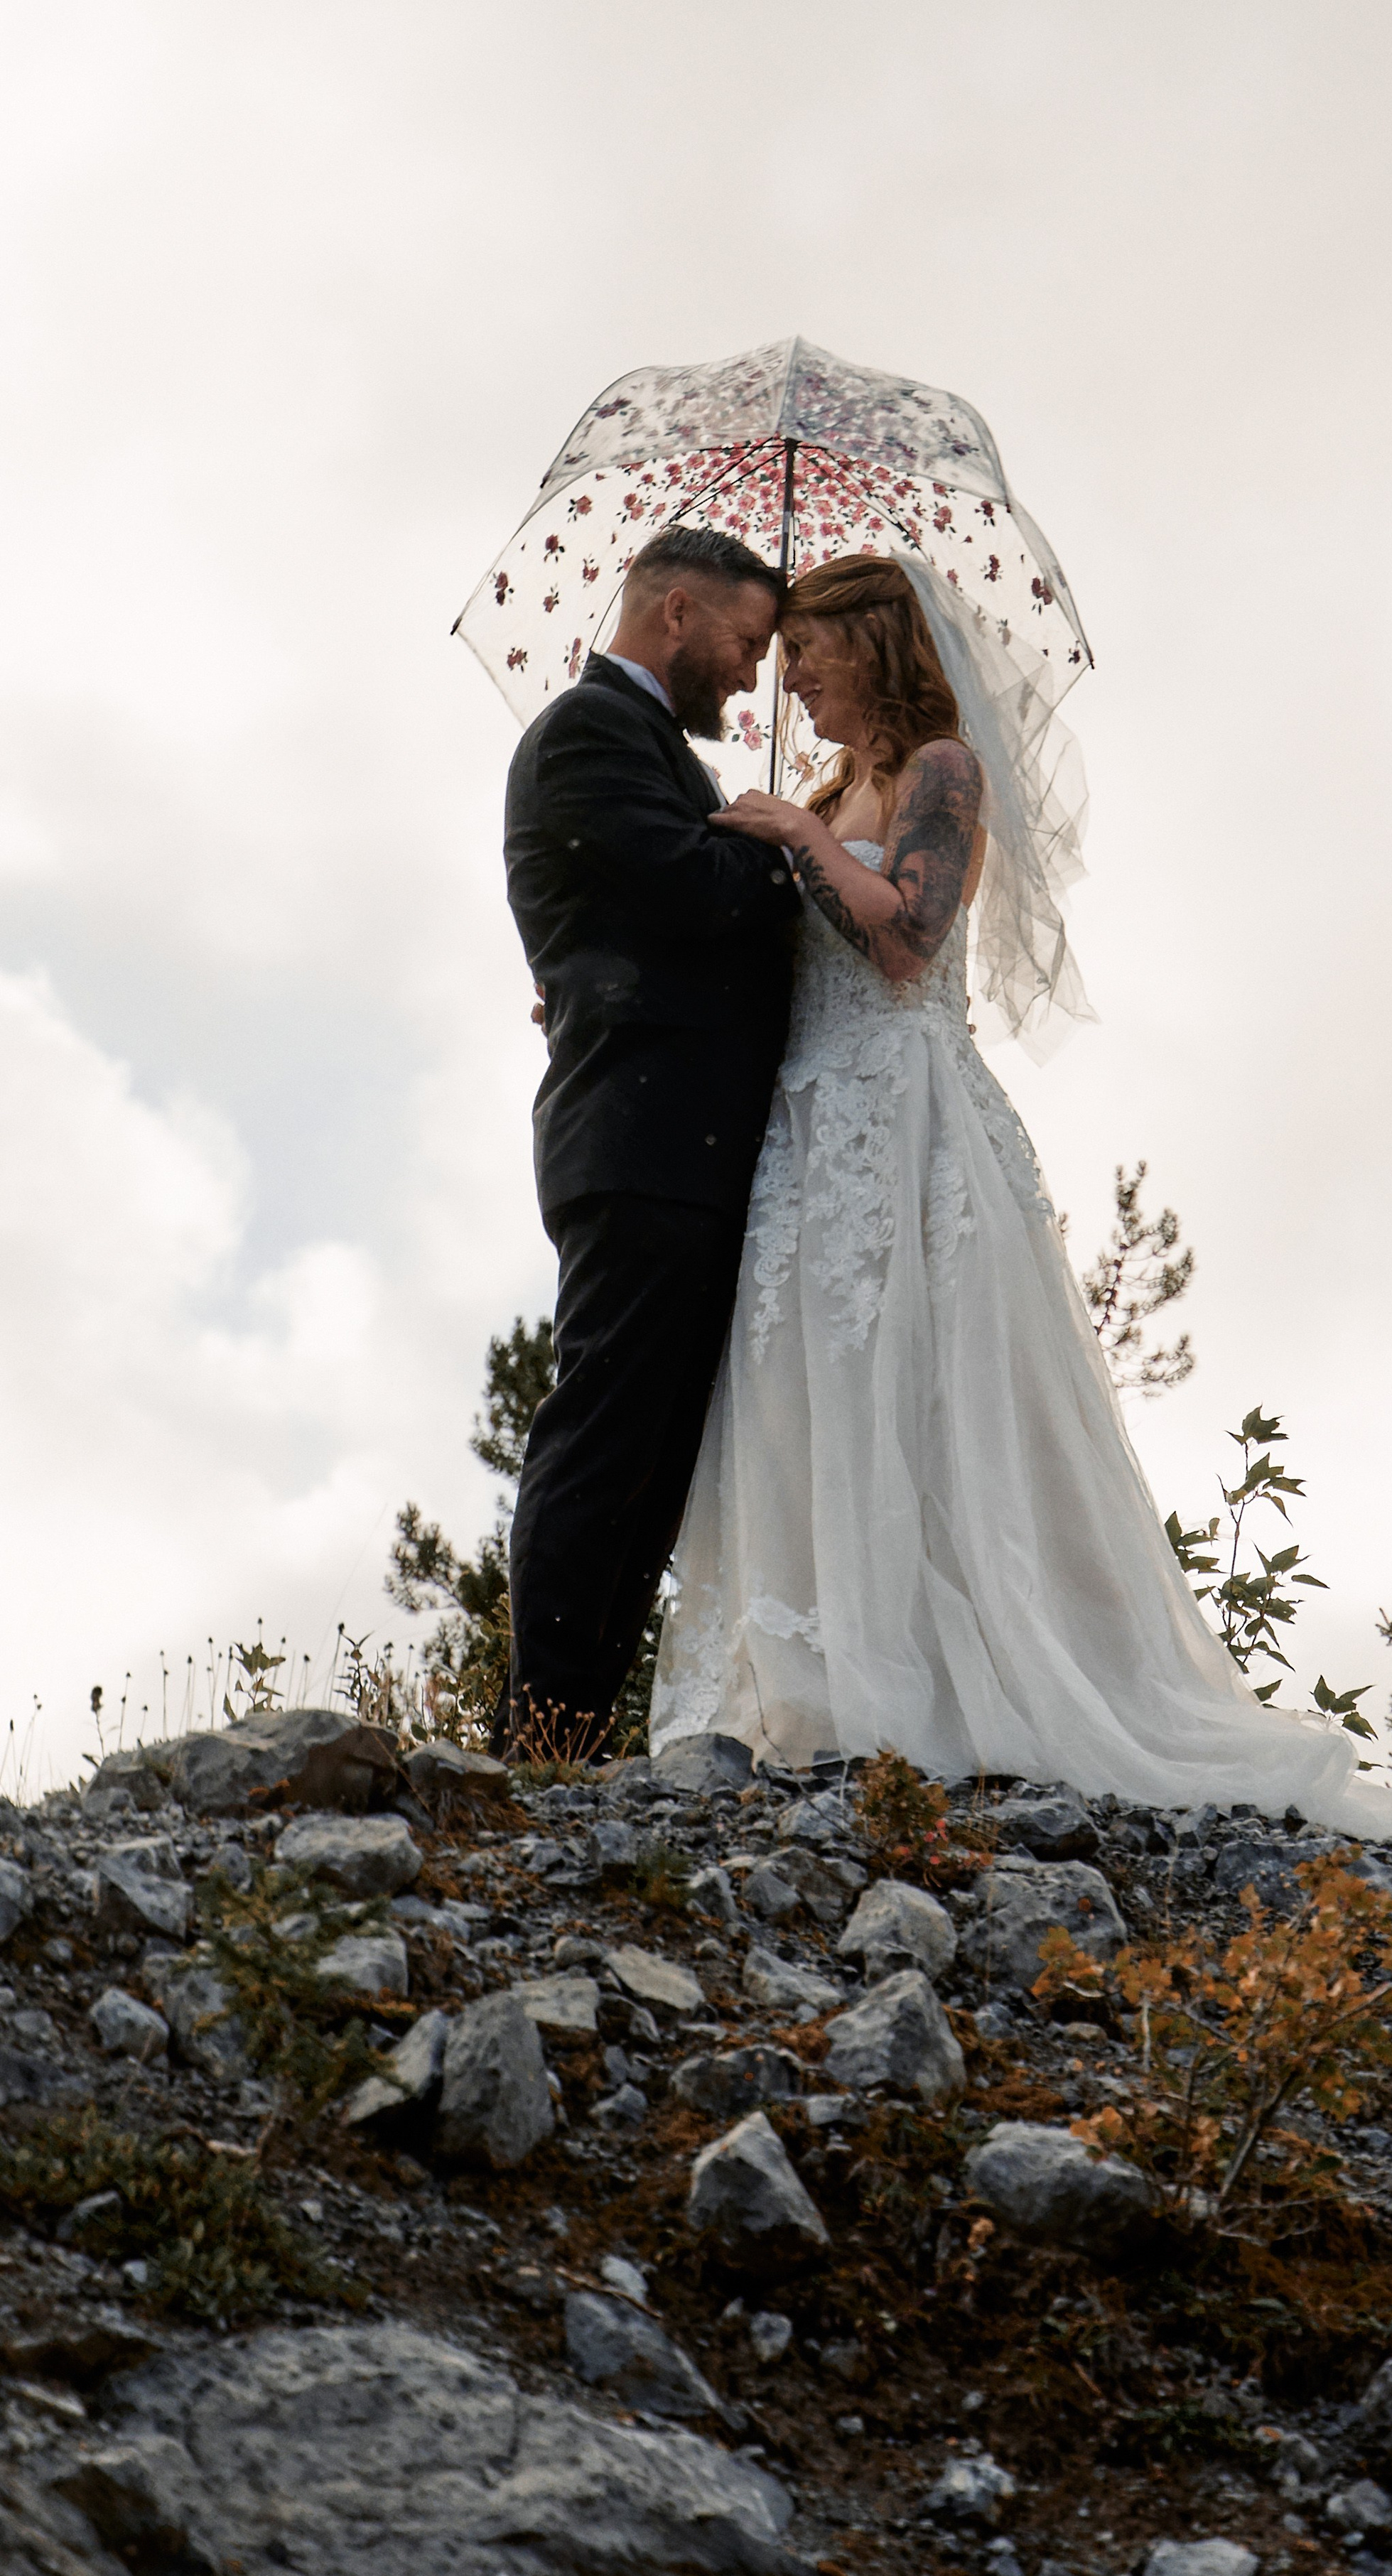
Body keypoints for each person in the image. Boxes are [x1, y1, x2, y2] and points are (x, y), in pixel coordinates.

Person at [654, 553, 1392, 1914]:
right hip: (808, 1128)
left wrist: (804, 842)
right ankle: (826, 1676)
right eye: (783, 658)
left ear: (876, 644)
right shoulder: (823, 794)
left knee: (941, 1392)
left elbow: (910, 938)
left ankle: (967, 1686)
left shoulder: (942, 771)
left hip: (910, 1126)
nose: (794, 677)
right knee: (814, 1387)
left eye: (815, 652)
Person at [495, 525, 796, 1761]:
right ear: (677, 613)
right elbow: (692, 893)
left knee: (653, 1463)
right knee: (605, 1436)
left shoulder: (658, 751)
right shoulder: (586, 735)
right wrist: (794, 851)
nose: (751, 675)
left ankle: (570, 1736)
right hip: (640, 1143)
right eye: (746, 641)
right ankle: (540, 1731)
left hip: (682, 1148)